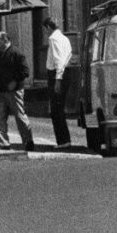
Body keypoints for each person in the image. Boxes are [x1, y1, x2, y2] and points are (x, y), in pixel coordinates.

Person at [0, 31, 34, 151]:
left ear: (5, 40)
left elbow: (25, 71)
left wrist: (15, 81)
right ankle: (3, 143)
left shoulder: (17, 53)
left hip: (14, 91)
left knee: (20, 116)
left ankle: (28, 141)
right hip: (0, 90)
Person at [43, 17, 72, 148]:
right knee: (59, 108)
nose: (45, 32)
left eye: (45, 29)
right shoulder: (64, 38)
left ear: (48, 27)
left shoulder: (54, 39)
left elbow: (58, 60)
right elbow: (68, 56)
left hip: (56, 74)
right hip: (65, 72)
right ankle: (65, 139)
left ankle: (62, 141)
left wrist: (57, 80)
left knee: (56, 110)